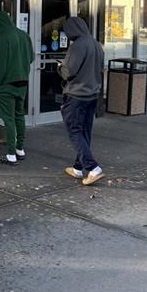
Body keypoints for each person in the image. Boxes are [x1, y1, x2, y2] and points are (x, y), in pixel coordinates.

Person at [60, 17, 105, 186]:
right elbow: (100, 68)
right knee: (85, 132)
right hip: (92, 94)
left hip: (76, 94)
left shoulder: (77, 45)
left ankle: (93, 167)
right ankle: (78, 168)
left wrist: (60, 68)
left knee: (74, 131)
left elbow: (69, 72)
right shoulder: (95, 44)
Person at [0, 12, 34, 166]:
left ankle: (10, 154)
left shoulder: (3, 37)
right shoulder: (24, 35)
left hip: (7, 83)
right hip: (22, 82)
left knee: (8, 119)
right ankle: (20, 149)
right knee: (19, 116)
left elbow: (1, 66)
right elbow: (31, 57)